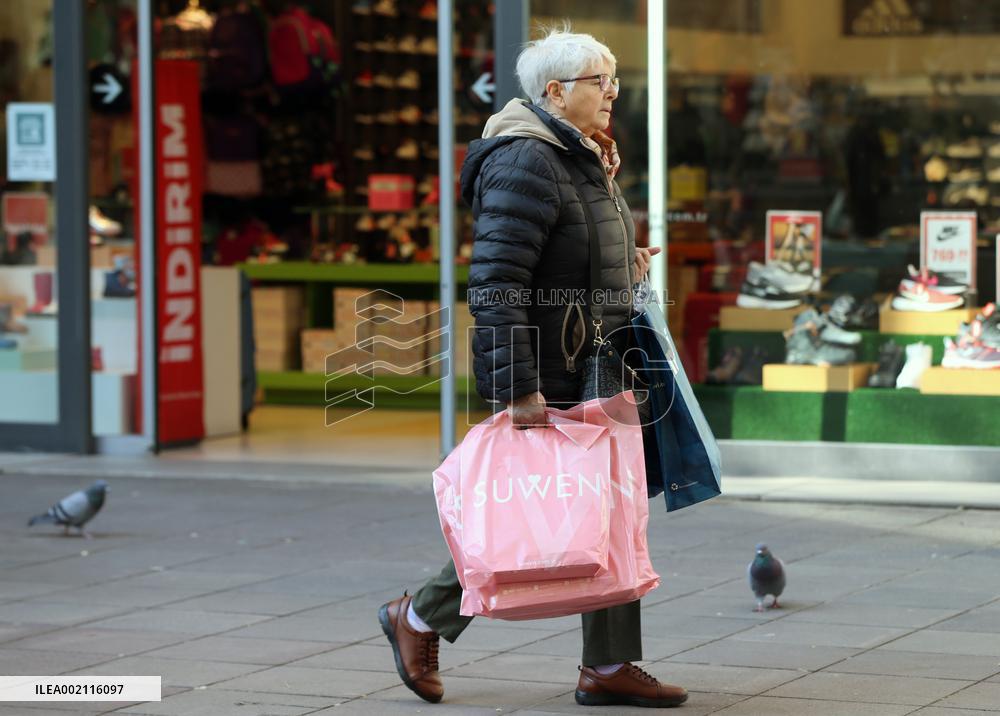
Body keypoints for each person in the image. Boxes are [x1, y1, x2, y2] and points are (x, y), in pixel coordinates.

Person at [378, 28, 687, 709]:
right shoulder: (527, 159)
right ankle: (421, 616)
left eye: (612, 80)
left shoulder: (580, 155)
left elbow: (564, 255)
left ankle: (607, 664)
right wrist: (518, 386)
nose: (612, 93)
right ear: (555, 92)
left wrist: (622, 268)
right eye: (597, 81)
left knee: (607, 511)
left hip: (597, 357)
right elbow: (497, 282)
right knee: (539, 516)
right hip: (553, 368)